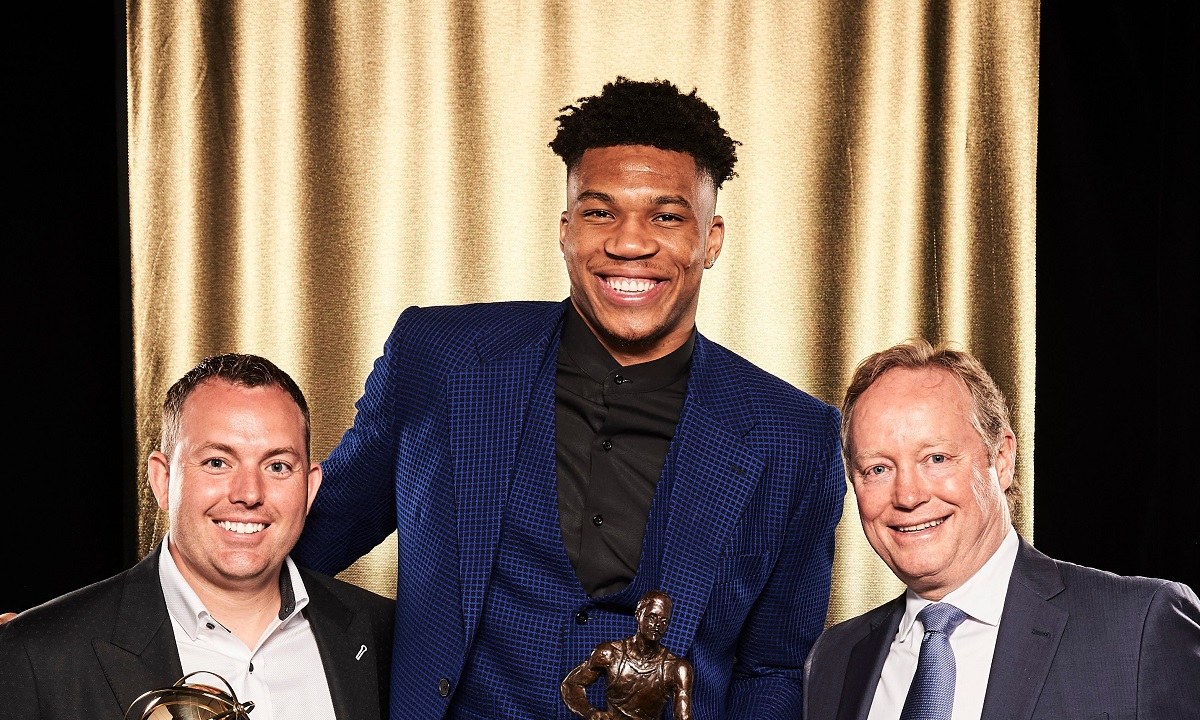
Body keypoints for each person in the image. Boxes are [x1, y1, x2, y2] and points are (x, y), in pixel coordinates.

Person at [291, 76, 846, 719]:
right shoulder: (439, 361)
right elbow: (299, 546)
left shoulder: (794, 436)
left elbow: (771, 669)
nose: (629, 243)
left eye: (667, 216)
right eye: (599, 212)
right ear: (565, 229)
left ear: (711, 240)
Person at [802, 339, 1200, 720]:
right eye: (878, 469)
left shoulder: (1138, 627)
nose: (907, 495)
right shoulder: (832, 661)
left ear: (1002, 459)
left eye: (936, 458)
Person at [0, 354, 394, 720]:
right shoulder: (37, 654)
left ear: (309, 489)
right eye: (217, 462)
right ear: (162, 480)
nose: (249, 494)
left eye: (277, 466)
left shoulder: (385, 637)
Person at [561, 590, 693, 720]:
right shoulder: (610, 654)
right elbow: (571, 685)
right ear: (638, 614)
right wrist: (591, 713)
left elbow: (683, 716)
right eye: (652, 617)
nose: (657, 625)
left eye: (664, 621)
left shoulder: (676, 668)